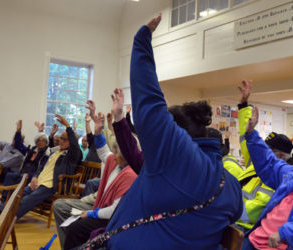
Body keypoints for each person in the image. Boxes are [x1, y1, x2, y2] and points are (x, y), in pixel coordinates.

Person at [102, 15, 242, 249]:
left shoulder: (176, 158)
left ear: (175, 135)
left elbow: (150, 103)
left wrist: (141, 41)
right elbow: (136, 156)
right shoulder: (231, 186)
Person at [53, 106, 137, 250]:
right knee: (60, 206)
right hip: (100, 206)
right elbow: (104, 151)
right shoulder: (115, 162)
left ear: (127, 154)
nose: (113, 155)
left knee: (76, 227)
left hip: (112, 218)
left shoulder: (130, 174)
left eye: (117, 152)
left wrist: (91, 213)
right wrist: (97, 132)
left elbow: (114, 210)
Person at [236, 80, 292, 233]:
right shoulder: (255, 162)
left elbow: (255, 210)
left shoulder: (281, 179)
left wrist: (226, 208)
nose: (262, 151)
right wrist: (243, 105)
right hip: (232, 218)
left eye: (268, 150)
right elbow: (245, 137)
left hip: (246, 227)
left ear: (281, 156)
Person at [241, 106, 293, 250]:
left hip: (276, 244)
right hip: (255, 238)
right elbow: (268, 163)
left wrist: (284, 233)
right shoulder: (290, 175)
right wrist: (251, 133)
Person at [16, 114, 82, 219]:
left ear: (71, 141)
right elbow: (41, 165)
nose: (62, 141)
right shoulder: (55, 152)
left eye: (66, 139)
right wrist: (35, 177)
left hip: (51, 184)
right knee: (18, 195)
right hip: (39, 181)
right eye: (61, 139)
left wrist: (68, 126)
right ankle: (2, 214)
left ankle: (9, 219)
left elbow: (75, 145)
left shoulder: (72, 155)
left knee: (28, 199)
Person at [0, 121, 50, 211]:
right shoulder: (32, 150)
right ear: (36, 142)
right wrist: (18, 131)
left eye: (43, 141)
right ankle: (4, 200)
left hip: (34, 176)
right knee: (9, 175)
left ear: (46, 143)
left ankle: (13, 204)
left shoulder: (47, 153)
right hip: (23, 173)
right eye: (39, 141)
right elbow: (19, 144)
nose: (41, 142)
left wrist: (41, 131)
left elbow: (42, 169)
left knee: (22, 179)